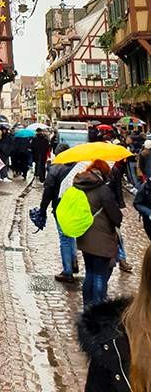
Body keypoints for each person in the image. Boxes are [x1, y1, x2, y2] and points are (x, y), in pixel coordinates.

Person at [78, 245, 151, 392]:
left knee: (93, 274)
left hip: (95, 245)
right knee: (96, 275)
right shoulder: (113, 346)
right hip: (100, 245)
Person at [73, 160, 123, 307]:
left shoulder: (79, 186)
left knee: (90, 273)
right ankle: (97, 310)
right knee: (100, 275)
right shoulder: (103, 190)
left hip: (85, 236)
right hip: (102, 239)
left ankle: (87, 307)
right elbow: (116, 217)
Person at [38, 143, 79, 283]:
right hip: (75, 207)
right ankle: (73, 262)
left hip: (61, 207)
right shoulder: (77, 168)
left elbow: (48, 191)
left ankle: (67, 271)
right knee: (71, 235)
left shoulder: (55, 169)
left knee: (64, 238)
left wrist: (42, 209)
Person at [109, 159, 133, 273]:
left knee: (117, 234)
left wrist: (121, 205)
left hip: (112, 207)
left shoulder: (115, 171)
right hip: (98, 209)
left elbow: (118, 190)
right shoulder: (93, 172)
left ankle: (122, 259)